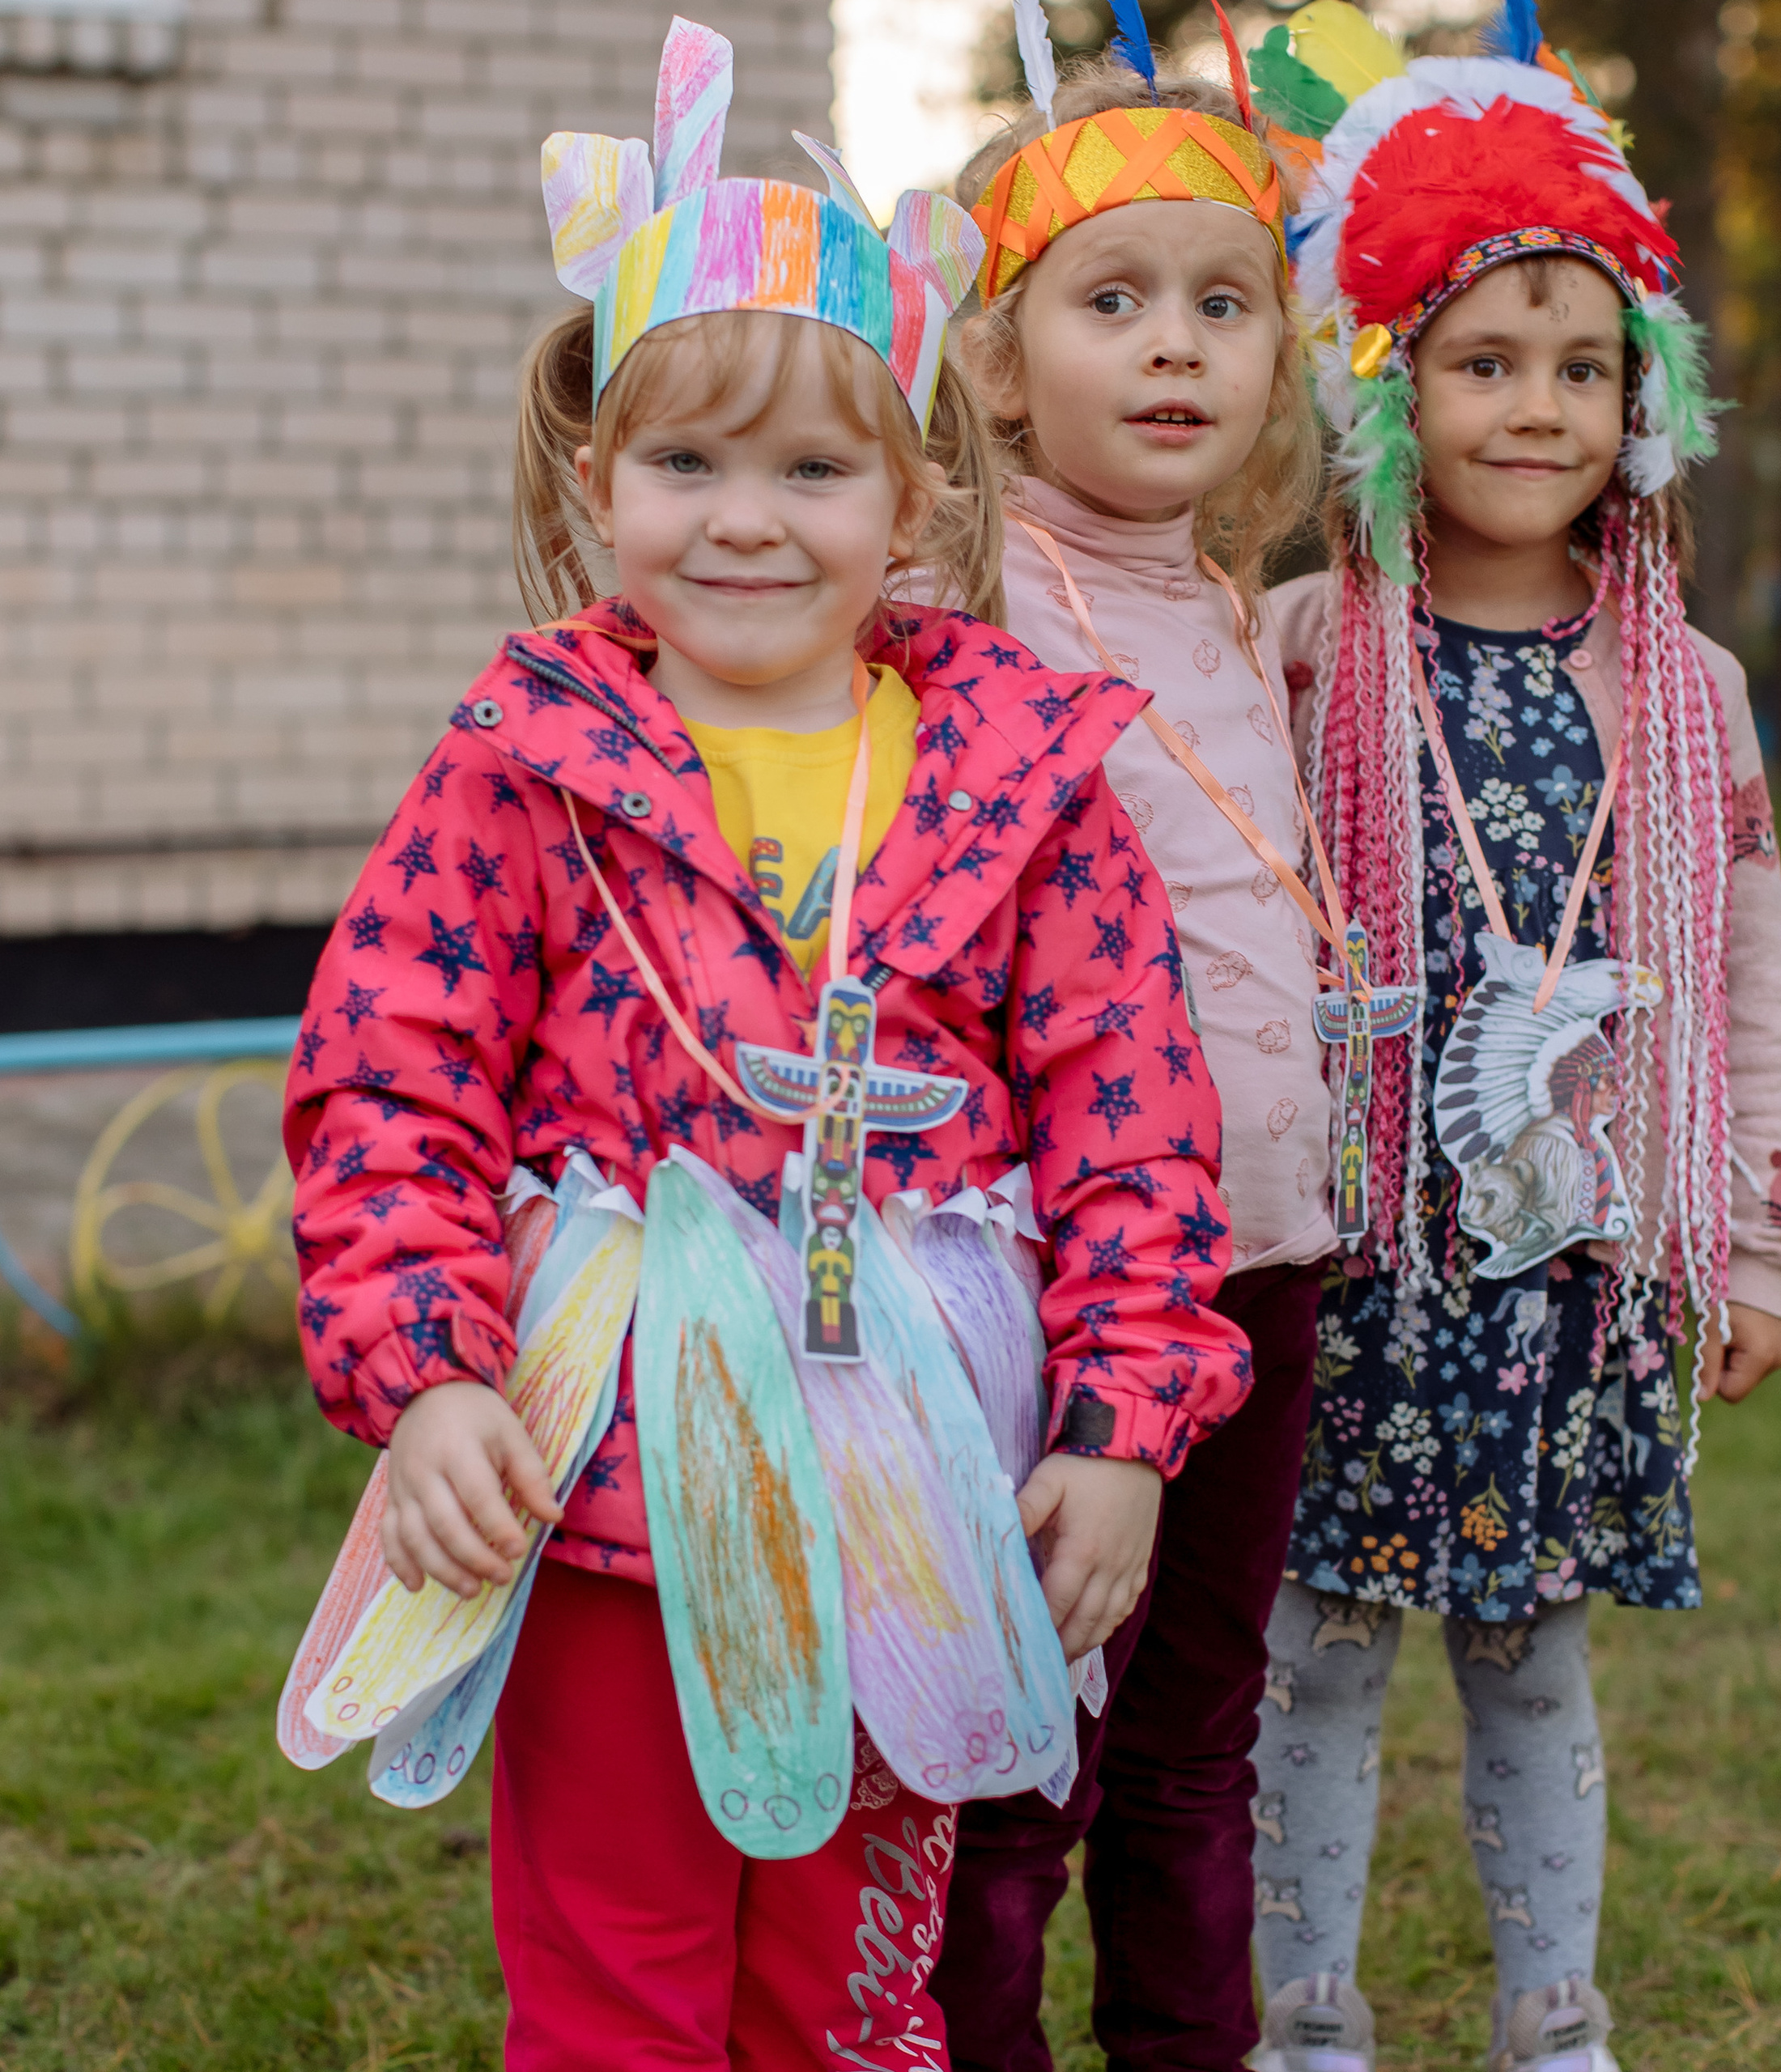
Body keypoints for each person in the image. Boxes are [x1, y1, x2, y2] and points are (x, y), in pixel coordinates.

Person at [283, 23, 1251, 2071]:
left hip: (909, 1480)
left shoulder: (1019, 781)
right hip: (604, 1459)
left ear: (907, 491)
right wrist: (431, 1372)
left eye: (812, 467)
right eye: (687, 463)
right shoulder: (524, 770)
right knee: (624, 1971)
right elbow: (390, 1076)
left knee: (844, 1978)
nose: (746, 520)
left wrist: (1120, 1423)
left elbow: (1131, 1120)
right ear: (594, 482)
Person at [1247, 7, 1781, 2069]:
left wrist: (1748, 1237)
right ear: (1387, 389)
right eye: (1484, 360)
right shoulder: (1301, 647)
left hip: (1572, 1273)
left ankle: (1548, 2018)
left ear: (1639, 399)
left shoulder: (1687, 684)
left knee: (1529, 1656)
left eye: (1583, 368)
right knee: (1305, 1657)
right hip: (1353, 1261)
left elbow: (1742, 971)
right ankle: (1305, 2020)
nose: (1536, 405)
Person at [929, 16, 1336, 2069]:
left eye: (1219, 304)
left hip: (1263, 1262)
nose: (1171, 347)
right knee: (1014, 1756)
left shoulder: (1249, 609)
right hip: (1046, 1287)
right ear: (1002, 362)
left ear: (1277, 354)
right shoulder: (949, 591)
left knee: (1197, 1734)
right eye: (1110, 301)